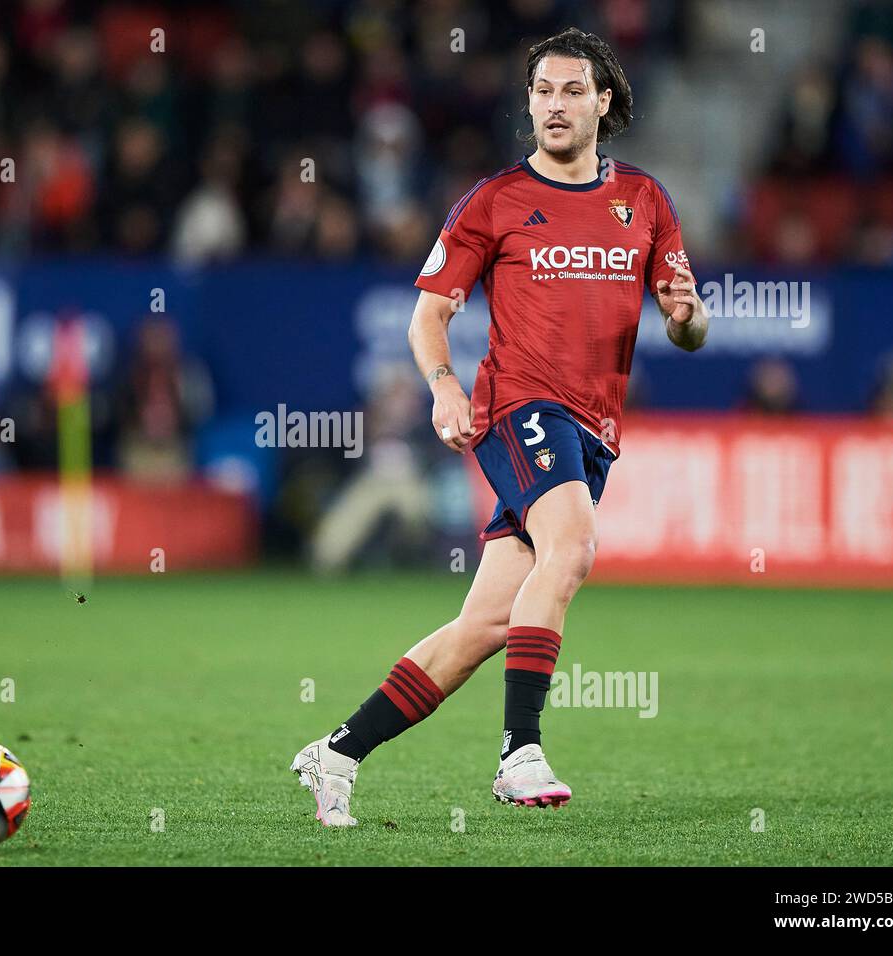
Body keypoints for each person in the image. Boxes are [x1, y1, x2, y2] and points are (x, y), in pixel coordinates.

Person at [291, 27, 709, 826]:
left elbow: (687, 329)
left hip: (594, 433)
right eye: (542, 91)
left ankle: (338, 750)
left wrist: (689, 317)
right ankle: (520, 751)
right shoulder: (494, 202)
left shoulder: (647, 202)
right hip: (519, 409)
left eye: (572, 90)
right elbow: (427, 317)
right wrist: (446, 388)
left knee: (483, 625)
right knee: (575, 546)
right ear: (528, 102)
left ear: (604, 101)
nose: (554, 105)